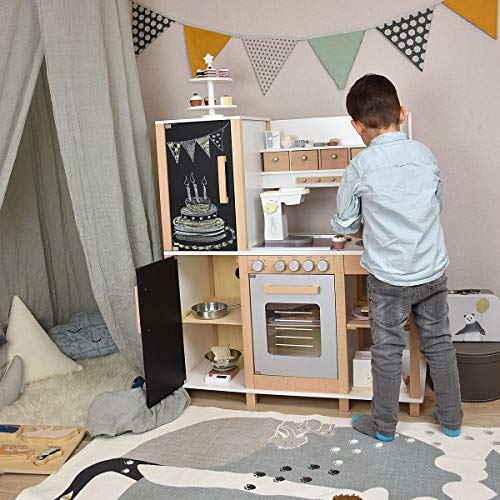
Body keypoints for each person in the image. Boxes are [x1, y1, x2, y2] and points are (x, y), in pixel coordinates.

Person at [332, 74, 463, 441]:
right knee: (439, 342)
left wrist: (362, 228)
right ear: (401, 114)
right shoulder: (425, 155)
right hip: (431, 270)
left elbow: (345, 223)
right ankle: (452, 419)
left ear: (356, 126)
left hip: (389, 278)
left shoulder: (360, 166)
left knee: (387, 349)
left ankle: (383, 425)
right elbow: (435, 207)